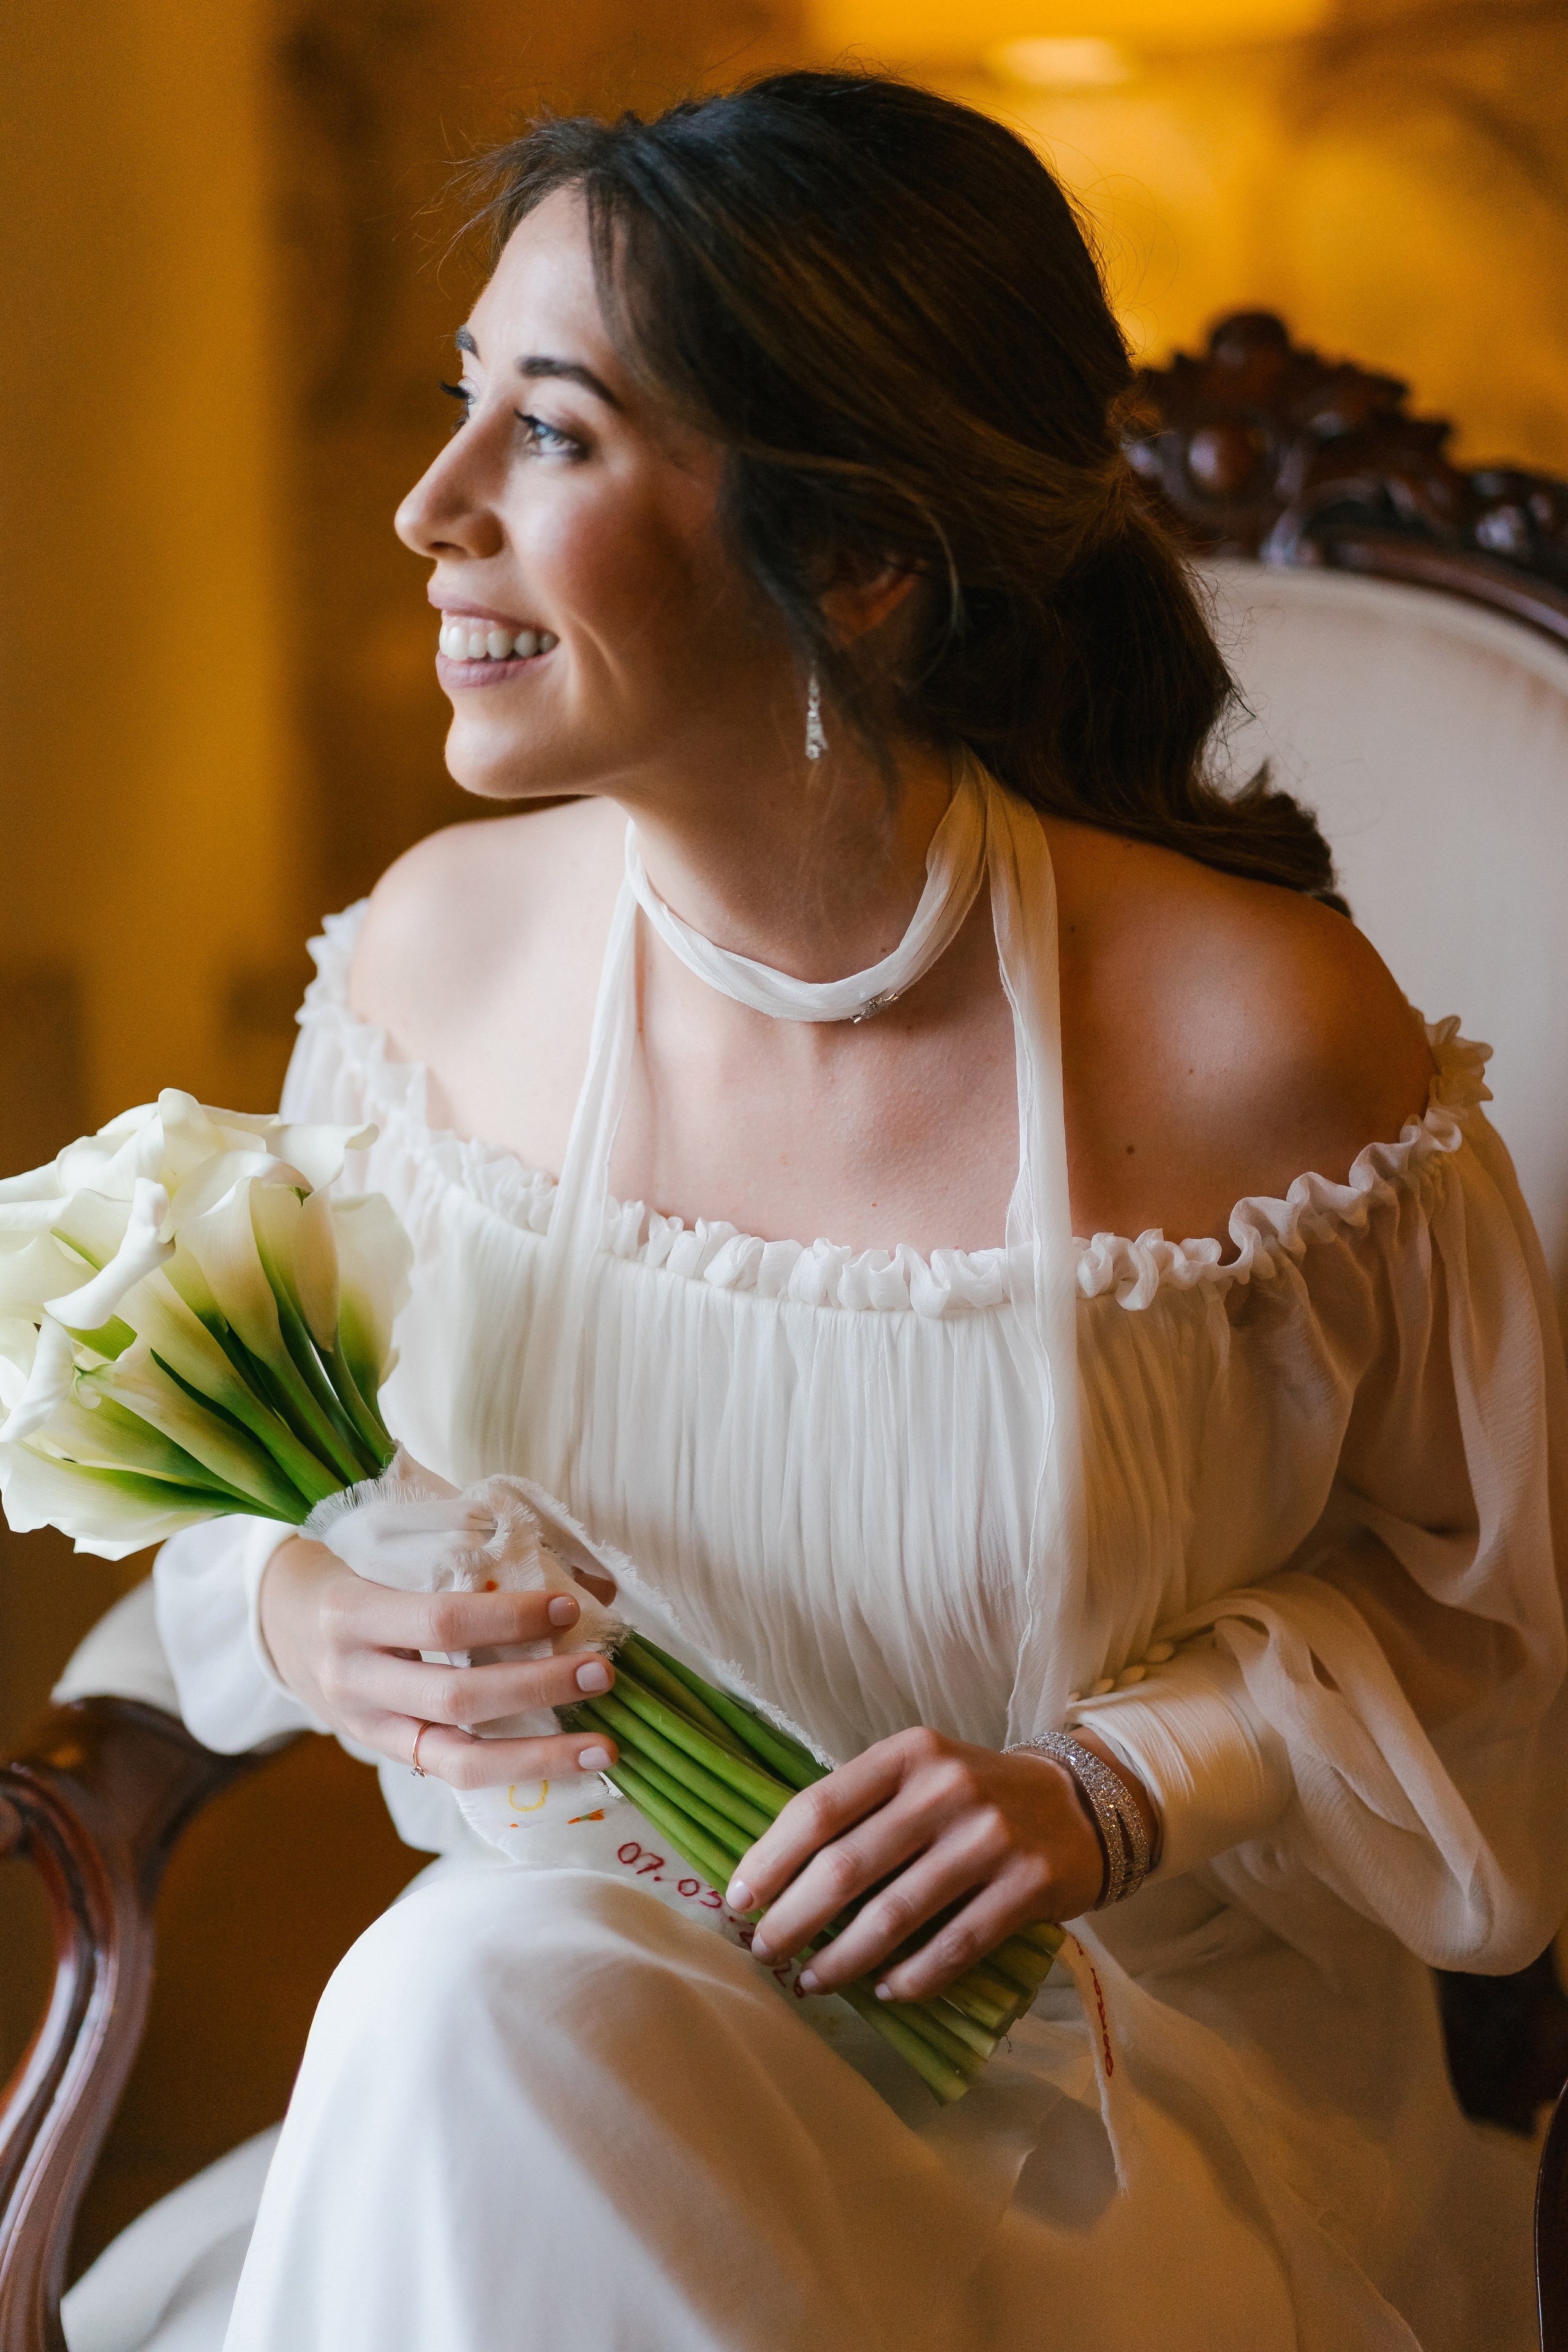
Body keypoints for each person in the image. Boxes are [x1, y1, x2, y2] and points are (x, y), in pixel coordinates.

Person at [69, 69, 1568, 2352]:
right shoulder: (421, 970)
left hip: (1117, 2103)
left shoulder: (1261, 1050)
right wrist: (298, 1613)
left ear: (858, 558)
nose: (428, 503)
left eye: (552, 434)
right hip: (547, 2066)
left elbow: (1490, 1651)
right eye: (462, 403)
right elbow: (260, 1506)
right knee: (482, 1992)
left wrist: (1116, 1789)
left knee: (461, 2007)